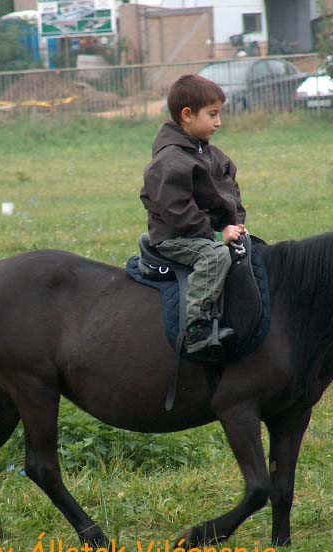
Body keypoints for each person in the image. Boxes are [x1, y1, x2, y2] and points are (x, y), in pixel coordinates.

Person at [140, 74, 247, 355]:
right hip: (177, 237)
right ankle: (197, 326)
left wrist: (237, 224)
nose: (218, 122)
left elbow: (231, 192)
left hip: (206, 233)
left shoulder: (212, 155)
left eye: (219, 114)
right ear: (187, 115)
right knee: (215, 256)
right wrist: (213, 235)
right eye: (212, 114)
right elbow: (176, 211)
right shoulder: (170, 159)